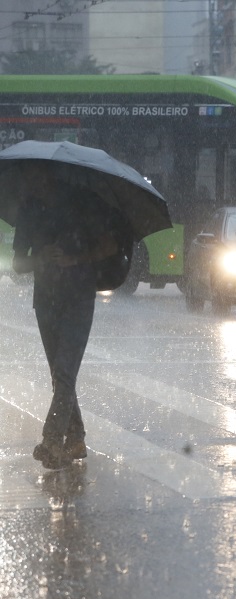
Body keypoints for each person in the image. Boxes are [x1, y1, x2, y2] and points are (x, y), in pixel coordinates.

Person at [12, 161, 118, 470]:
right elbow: (19, 264)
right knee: (61, 375)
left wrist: (75, 259)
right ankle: (76, 438)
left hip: (78, 298)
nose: (27, 180)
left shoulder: (83, 203)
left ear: (45, 173)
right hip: (45, 301)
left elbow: (110, 245)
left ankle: (51, 441)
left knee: (64, 373)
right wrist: (40, 258)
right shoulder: (29, 209)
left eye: (31, 174)